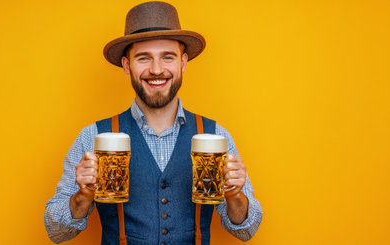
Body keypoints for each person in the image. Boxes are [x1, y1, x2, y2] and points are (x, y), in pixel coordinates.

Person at [44, 2, 262, 244]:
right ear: (127, 65)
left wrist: (235, 195)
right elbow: (56, 230)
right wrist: (82, 196)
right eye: (144, 58)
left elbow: (246, 230)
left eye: (167, 57)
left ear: (183, 62)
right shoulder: (93, 136)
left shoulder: (215, 136)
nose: (157, 70)